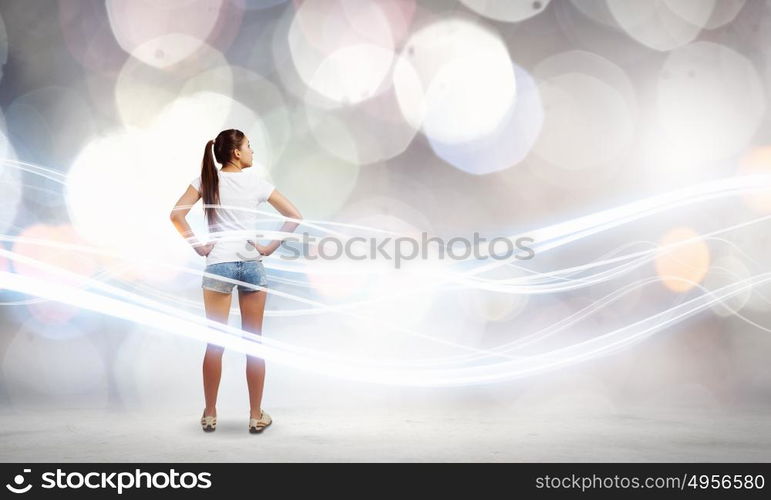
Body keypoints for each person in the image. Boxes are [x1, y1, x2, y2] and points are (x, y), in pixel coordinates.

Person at [169, 129, 302, 434]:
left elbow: (176, 215)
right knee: (253, 344)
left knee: (215, 344)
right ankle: (256, 415)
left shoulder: (206, 181)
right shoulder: (256, 183)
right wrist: (269, 247)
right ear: (236, 153)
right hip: (252, 265)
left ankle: (210, 413)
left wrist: (199, 246)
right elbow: (294, 215)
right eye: (249, 146)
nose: (253, 152)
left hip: (218, 265)